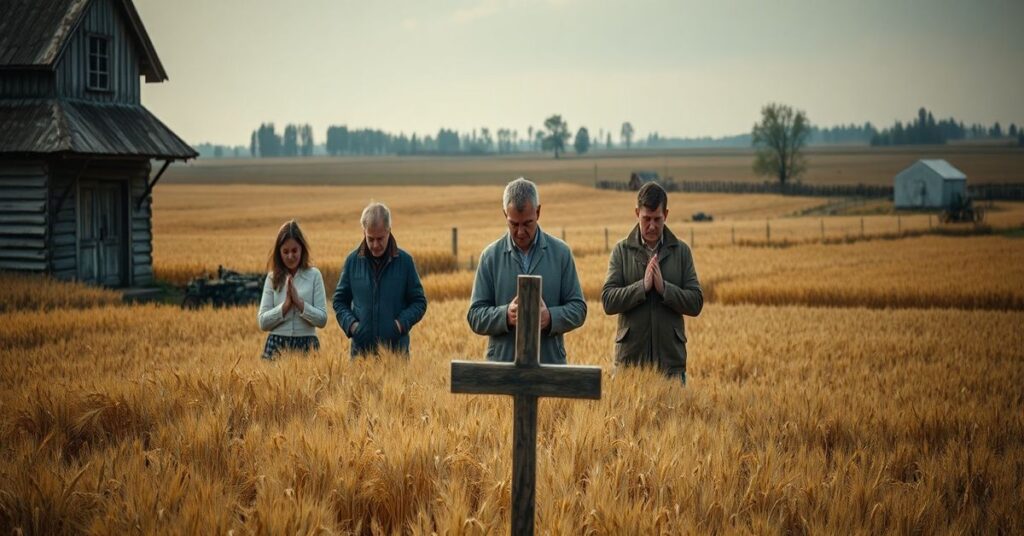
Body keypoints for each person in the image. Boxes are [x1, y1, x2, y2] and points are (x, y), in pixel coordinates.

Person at [467, 177, 586, 364]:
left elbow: (578, 309)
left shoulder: (561, 253)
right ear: (504, 214)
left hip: (550, 367)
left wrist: (550, 318)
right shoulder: (490, 257)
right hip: (501, 370)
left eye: (527, 223)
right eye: (514, 224)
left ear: (538, 212)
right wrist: (506, 315)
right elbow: (475, 316)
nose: (521, 232)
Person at [601, 182, 703, 384]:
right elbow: (608, 300)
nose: (652, 226)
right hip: (630, 364)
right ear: (637, 213)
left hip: (670, 365)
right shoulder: (621, 251)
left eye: (658, 219)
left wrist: (665, 289)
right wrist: (643, 287)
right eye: (646, 219)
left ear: (666, 214)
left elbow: (696, 302)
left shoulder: (681, 252)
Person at [333, 202, 427, 357]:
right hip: (360, 356)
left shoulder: (405, 262)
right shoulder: (352, 261)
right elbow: (339, 301)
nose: (375, 245)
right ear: (363, 232)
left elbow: (419, 302)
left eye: (380, 238)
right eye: (371, 239)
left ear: (389, 231)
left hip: (396, 355)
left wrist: (399, 325)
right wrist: (352, 326)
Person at [258, 220, 328, 359]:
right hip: (276, 346)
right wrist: (285, 306)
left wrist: (299, 303)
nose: (290, 256)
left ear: (302, 249)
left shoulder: (314, 275)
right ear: (279, 253)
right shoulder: (272, 278)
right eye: (285, 251)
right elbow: (263, 322)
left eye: (294, 250)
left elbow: (322, 320)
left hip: (307, 346)